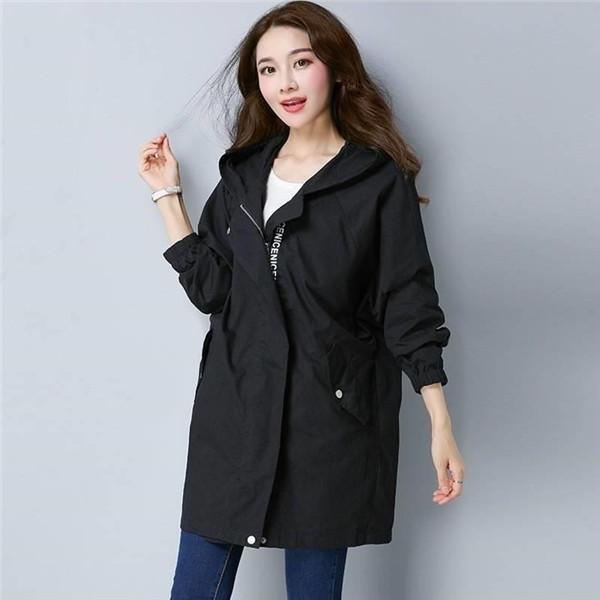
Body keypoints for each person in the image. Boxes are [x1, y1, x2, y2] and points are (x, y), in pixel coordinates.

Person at [138, 2, 466, 598]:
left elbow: (406, 302)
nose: (284, 83)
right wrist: (168, 196)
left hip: (329, 421)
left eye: (301, 62)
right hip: (235, 411)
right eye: (268, 70)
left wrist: (439, 421)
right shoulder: (241, 175)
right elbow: (213, 291)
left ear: (336, 70)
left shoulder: (377, 181)